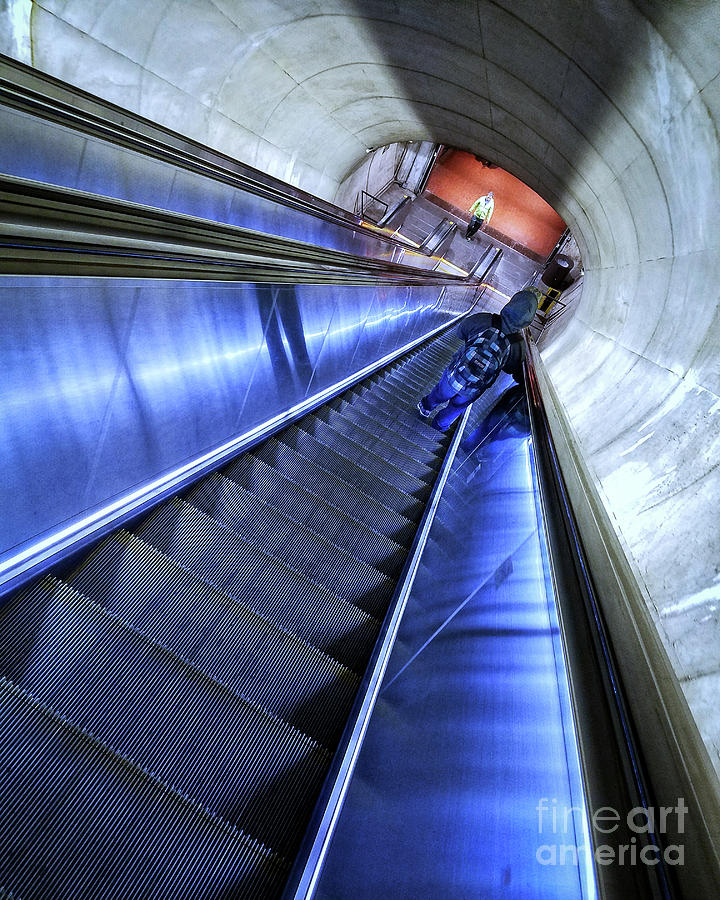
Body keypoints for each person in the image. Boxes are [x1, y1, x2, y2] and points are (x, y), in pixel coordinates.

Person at [416, 289, 539, 432]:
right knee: (457, 407)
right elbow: (511, 369)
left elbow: (460, 332)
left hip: (455, 373)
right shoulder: (518, 345)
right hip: (475, 388)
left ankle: (425, 407)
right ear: (528, 320)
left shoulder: (484, 319)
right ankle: (439, 425)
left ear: (510, 303)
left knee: (441, 392)